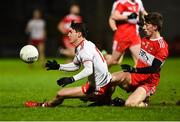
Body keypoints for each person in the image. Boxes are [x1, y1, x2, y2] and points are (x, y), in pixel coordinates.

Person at [25, 22, 112, 107]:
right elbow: (75, 65)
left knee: (60, 94)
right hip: (104, 84)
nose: (68, 35)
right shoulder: (84, 45)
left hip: (98, 89)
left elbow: (89, 70)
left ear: (79, 34)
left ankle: (43, 105)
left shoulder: (85, 49)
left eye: (70, 32)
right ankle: (107, 101)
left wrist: (71, 79)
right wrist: (58, 67)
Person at [110, 12, 169, 107]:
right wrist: (132, 19)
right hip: (135, 76)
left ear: (155, 27)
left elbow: (154, 68)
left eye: (146, 25)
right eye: (144, 24)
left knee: (130, 104)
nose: (144, 28)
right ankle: (105, 100)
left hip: (148, 83)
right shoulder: (146, 39)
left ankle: (144, 103)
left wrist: (135, 70)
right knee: (109, 79)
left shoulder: (162, 46)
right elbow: (141, 25)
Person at [105, 0, 147, 67]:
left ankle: (135, 77)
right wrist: (115, 29)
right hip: (122, 36)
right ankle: (99, 71)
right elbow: (113, 17)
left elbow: (143, 13)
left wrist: (151, 19)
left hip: (134, 35)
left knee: (141, 61)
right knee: (115, 61)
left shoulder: (138, 2)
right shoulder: (120, 3)